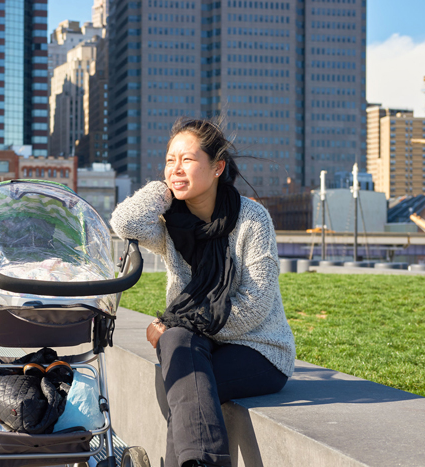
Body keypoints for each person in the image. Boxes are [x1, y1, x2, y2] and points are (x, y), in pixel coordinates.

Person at [110, 118, 295, 467]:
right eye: (169, 160)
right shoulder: (172, 226)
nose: (176, 167)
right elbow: (125, 222)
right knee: (180, 356)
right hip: (200, 345)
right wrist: (168, 187)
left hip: (259, 350)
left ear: (217, 167)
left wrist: (180, 322)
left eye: (187, 160)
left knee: (180, 382)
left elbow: (255, 308)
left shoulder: (252, 219)